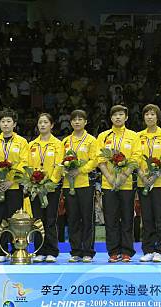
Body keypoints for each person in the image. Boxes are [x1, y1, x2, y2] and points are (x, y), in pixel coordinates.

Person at [96, 105, 141, 263]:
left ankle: (127, 251)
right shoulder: (103, 136)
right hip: (108, 184)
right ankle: (113, 252)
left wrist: (123, 176)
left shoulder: (133, 136)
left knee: (127, 218)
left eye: (121, 114)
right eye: (115, 115)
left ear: (126, 117)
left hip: (127, 184)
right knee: (111, 219)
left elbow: (136, 158)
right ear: (111, 118)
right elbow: (99, 159)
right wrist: (109, 177)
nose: (118, 117)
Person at [0, 108, 28, 263]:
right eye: (3, 121)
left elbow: (24, 163)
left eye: (8, 121)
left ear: (14, 124)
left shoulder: (22, 142)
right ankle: (1, 251)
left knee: (15, 220)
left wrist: (12, 180)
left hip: (15, 188)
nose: (5, 124)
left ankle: (17, 249)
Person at [60, 110, 97, 263]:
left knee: (87, 218)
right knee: (73, 219)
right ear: (70, 123)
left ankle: (88, 251)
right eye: (74, 119)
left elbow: (94, 160)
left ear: (85, 122)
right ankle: (75, 251)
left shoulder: (91, 140)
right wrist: (65, 169)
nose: (77, 122)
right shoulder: (65, 141)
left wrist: (79, 170)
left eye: (80, 119)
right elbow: (60, 161)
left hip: (85, 184)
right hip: (69, 185)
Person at [26, 113, 63, 263]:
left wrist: (50, 183)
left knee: (50, 219)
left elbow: (59, 166)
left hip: (51, 189)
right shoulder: (32, 145)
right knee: (37, 220)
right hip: (34, 188)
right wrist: (33, 182)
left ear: (51, 125)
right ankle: (39, 250)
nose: (42, 125)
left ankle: (52, 251)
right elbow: (27, 166)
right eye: (40, 122)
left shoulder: (58, 144)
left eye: (45, 122)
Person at [136, 104, 161, 262]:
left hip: (159, 182)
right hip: (143, 182)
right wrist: (143, 176)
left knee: (160, 218)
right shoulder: (138, 136)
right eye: (147, 114)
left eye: (153, 114)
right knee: (146, 217)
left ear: (158, 117)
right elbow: (135, 158)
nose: (149, 117)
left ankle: (160, 251)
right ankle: (147, 250)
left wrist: (154, 176)